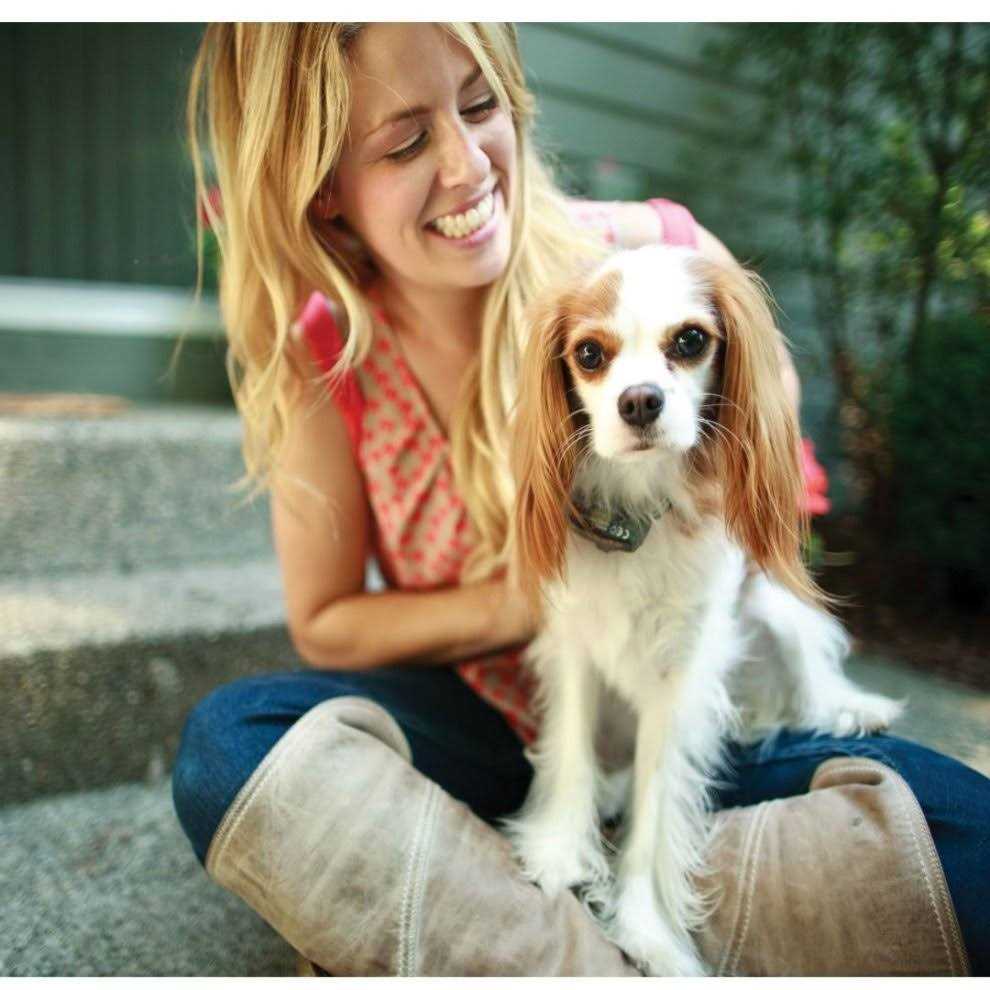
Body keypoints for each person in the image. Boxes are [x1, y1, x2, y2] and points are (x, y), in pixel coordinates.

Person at [172, 22, 988, 976]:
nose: (467, 165)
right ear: (325, 189)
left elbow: (769, 449)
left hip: (697, 711)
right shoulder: (327, 355)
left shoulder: (654, 255)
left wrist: (691, 522)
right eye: (405, 142)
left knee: (970, 840)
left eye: (481, 104)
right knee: (232, 748)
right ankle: (639, 927)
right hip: (488, 721)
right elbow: (327, 623)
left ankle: (514, 909)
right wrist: (544, 591)